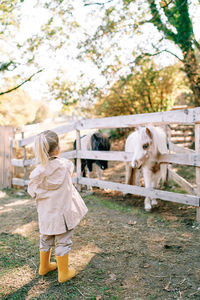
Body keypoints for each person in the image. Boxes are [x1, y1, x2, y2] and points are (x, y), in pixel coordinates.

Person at [27, 130, 88, 283]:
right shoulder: (66, 165)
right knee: (63, 241)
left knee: (45, 239)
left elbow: (32, 192)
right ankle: (63, 273)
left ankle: (44, 266)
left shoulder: (36, 174)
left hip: (46, 215)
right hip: (63, 214)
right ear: (58, 149)